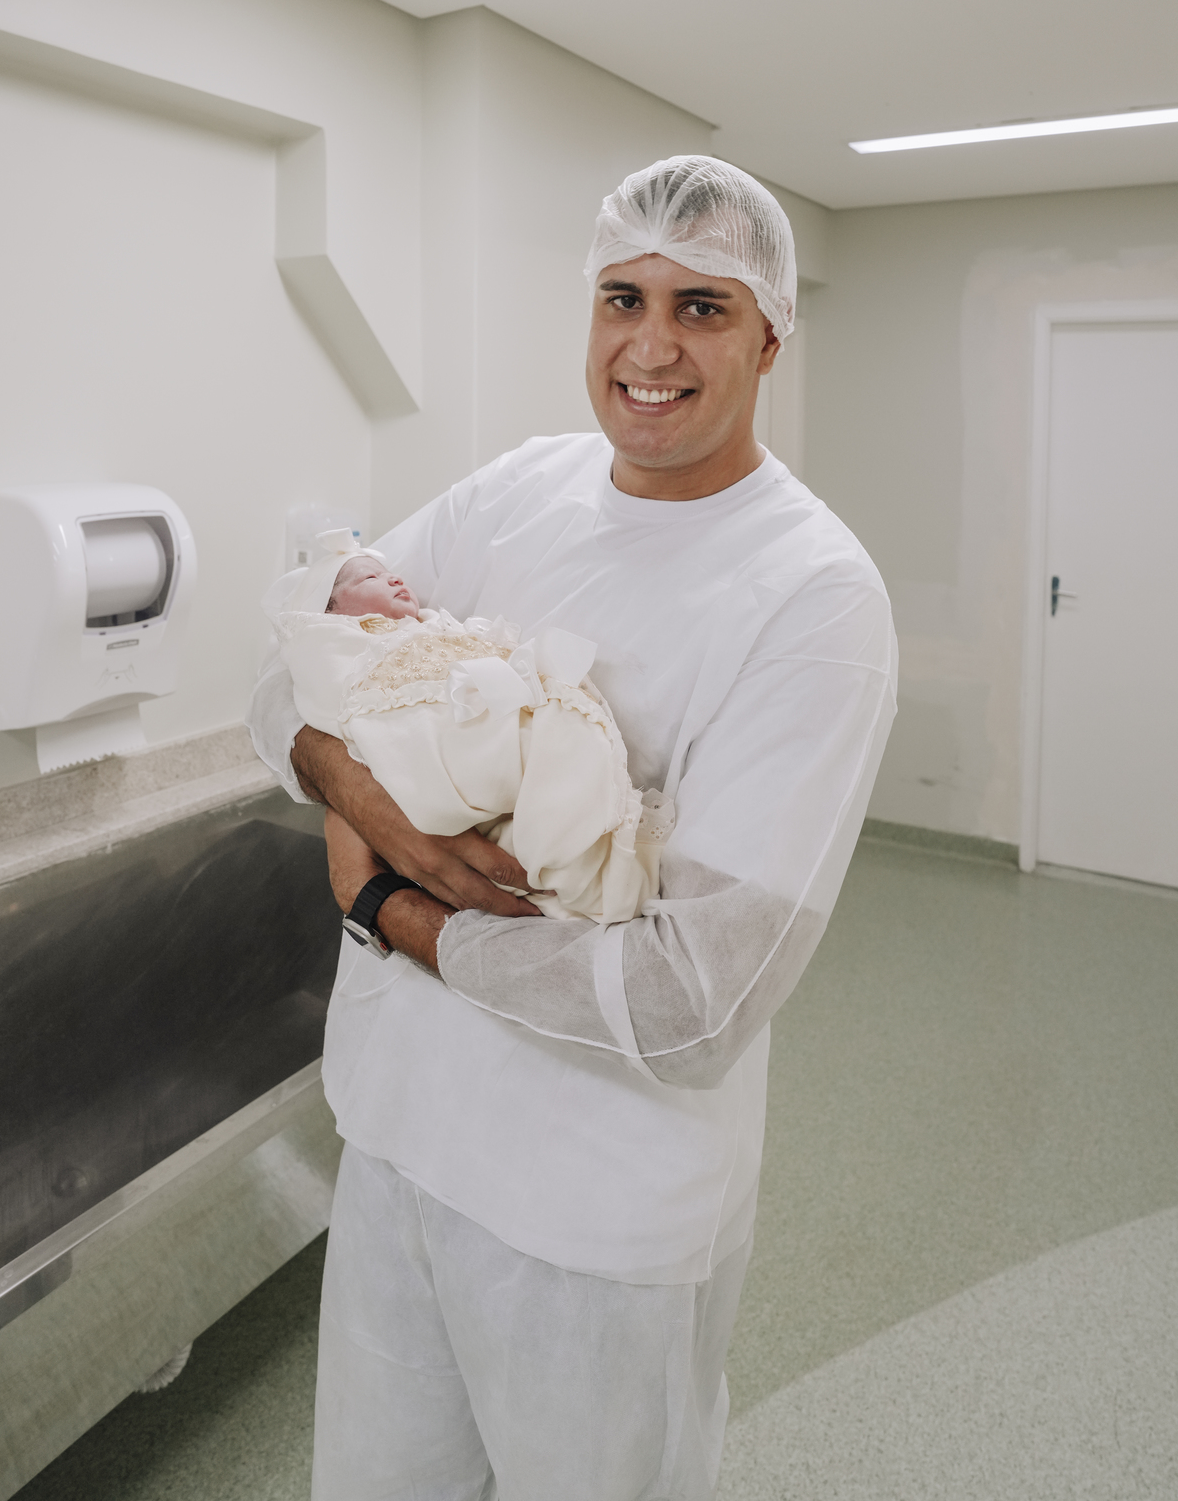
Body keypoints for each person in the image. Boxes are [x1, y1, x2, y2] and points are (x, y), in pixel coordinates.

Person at [248, 153, 897, 1501]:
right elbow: (285, 677)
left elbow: (692, 1001)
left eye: (702, 307)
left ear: (772, 335)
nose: (650, 349)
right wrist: (354, 790)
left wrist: (382, 902)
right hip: (396, 1141)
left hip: (590, 1215)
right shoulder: (523, 491)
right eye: (623, 298)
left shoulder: (812, 596)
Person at [265, 537, 671, 922]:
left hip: (493, 719)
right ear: (331, 613)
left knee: (556, 761)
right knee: (528, 773)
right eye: (370, 578)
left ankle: (592, 864)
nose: (394, 578)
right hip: (439, 745)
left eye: (388, 573)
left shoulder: (434, 628)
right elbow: (305, 685)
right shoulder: (348, 645)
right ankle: (587, 873)